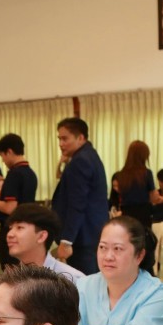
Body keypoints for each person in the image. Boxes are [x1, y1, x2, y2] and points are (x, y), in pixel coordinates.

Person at [65, 217, 163, 325]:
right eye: (102, 247)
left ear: (139, 256)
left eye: (117, 249)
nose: (108, 256)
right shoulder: (84, 286)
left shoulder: (156, 294)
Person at [51, 117, 109, 275]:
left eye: (65, 139)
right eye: (59, 139)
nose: (61, 144)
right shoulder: (88, 155)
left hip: (82, 237)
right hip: (90, 233)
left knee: (83, 283)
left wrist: (66, 241)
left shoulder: (80, 160)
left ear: (81, 137)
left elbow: (77, 203)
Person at [0, 133, 38, 270]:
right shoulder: (30, 173)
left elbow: (10, 208)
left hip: (12, 229)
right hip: (27, 228)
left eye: (2, 155)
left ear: (9, 152)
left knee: (10, 269)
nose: (3, 160)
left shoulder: (14, 174)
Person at [5, 204, 84, 283]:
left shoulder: (70, 279)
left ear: (41, 236)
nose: (10, 234)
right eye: (10, 228)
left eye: (19, 227)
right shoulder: (10, 280)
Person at [111, 140, 156, 231]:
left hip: (126, 212)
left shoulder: (120, 175)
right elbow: (153, 197)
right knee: (143, 236)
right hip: (143, 213)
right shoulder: (146, 173)